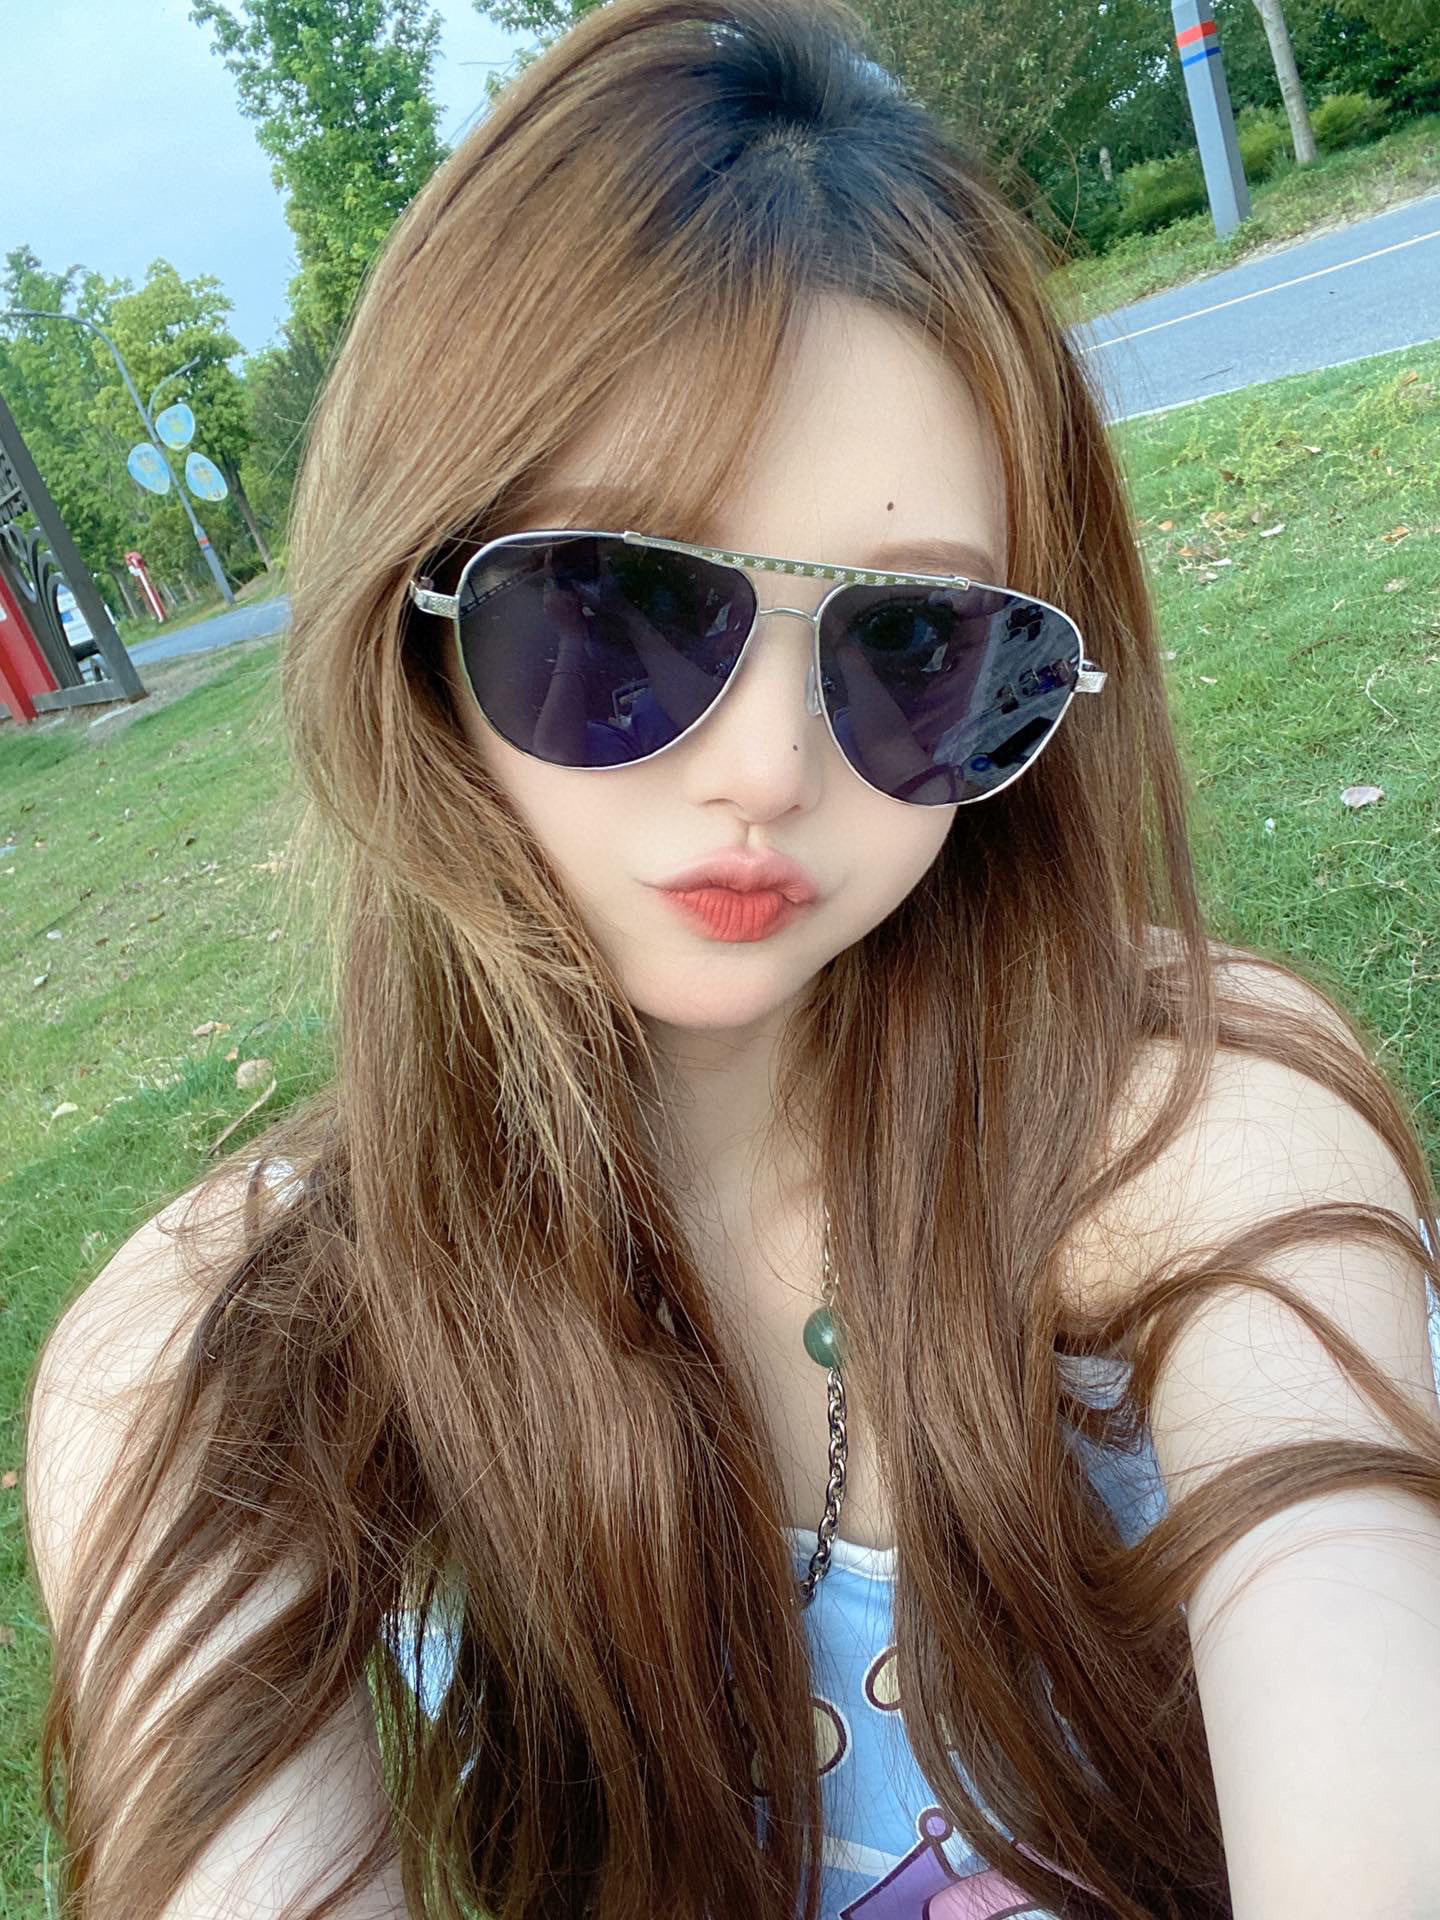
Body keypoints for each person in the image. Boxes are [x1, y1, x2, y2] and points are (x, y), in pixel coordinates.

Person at [22, 0, 1440, 1915]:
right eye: (618, 604)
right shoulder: (222, 1357)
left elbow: (1350, 1657)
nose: (769, 768)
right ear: (412, 624)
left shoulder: (1194, 1133)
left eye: (916, 640)